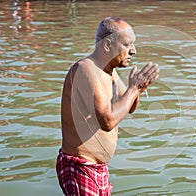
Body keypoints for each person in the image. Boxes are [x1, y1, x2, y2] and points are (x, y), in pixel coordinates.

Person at [56, 17, 159, 195]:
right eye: (127, 44)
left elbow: (129, 107)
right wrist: (134, 88)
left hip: (99, 168)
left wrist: (139, 89)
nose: (133, 51)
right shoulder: (86, 68)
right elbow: (107, 120)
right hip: (80, 166)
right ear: (107, 45)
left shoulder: (109, 72)